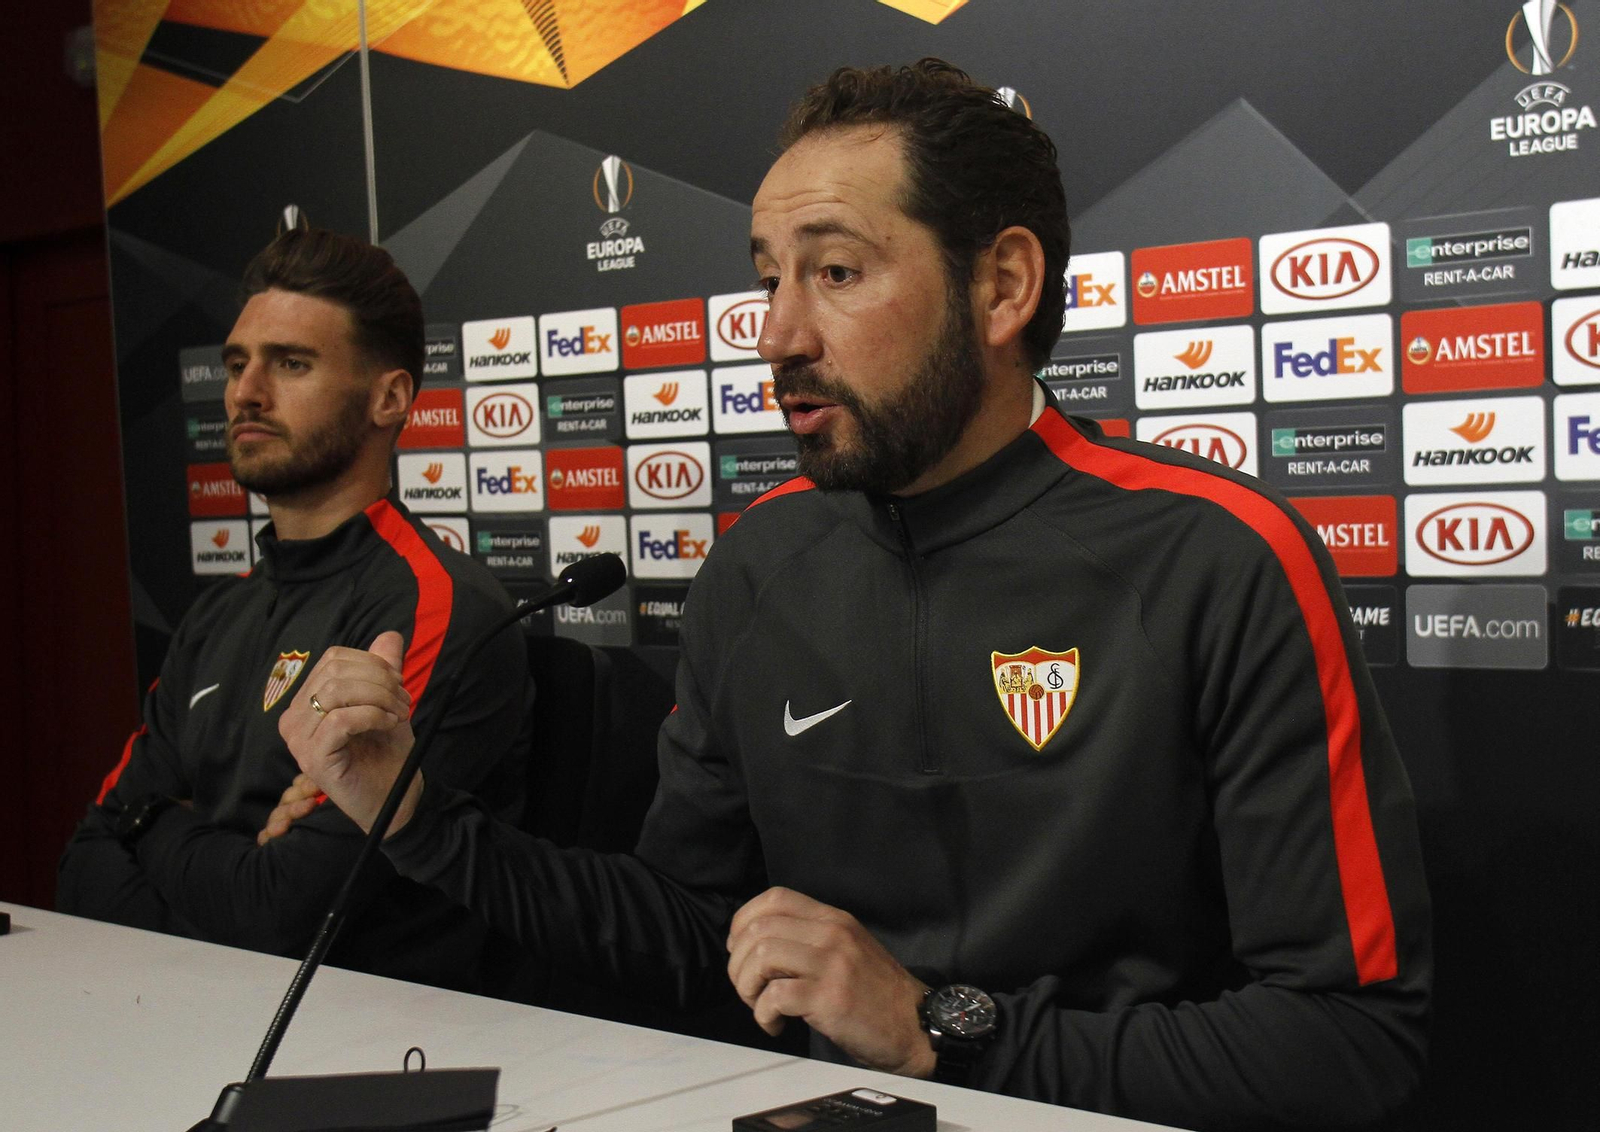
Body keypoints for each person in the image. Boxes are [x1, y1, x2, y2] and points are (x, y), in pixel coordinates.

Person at [283, 61, 1430, 1130]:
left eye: (835, 272)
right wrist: (419, 815)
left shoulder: (1220, 557)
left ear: (1003, 285)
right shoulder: (756, 566)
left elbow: (1346, 1037)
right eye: (767, 279)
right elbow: (689, 932)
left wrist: (935, 1030)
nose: (777, 334)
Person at [58, 229, 530, 993]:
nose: (245, 392)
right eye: (238, 363)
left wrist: (156, 824)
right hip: (177, 1013)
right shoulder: (217, 613)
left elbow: (287, 913)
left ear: (390, 398)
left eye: (291, 364)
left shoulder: (432, 608)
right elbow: (83, 859)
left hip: (365, 1061)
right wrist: (205, 853)